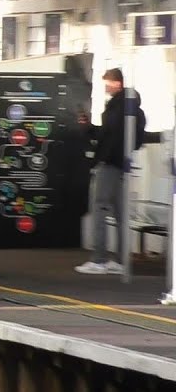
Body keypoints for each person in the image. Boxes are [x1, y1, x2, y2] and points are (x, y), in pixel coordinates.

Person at [75, 67, 145, 275]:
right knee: (121, 213)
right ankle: (122, 261)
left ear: (116, 83)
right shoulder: (133, 108)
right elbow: (128, 136)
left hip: (109, 164)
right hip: (123, 164)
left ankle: (99, 259)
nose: (106, 86)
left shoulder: (117, 107)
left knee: (98, 208)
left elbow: (109, 136)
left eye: (107, 82)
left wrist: (100, 154)